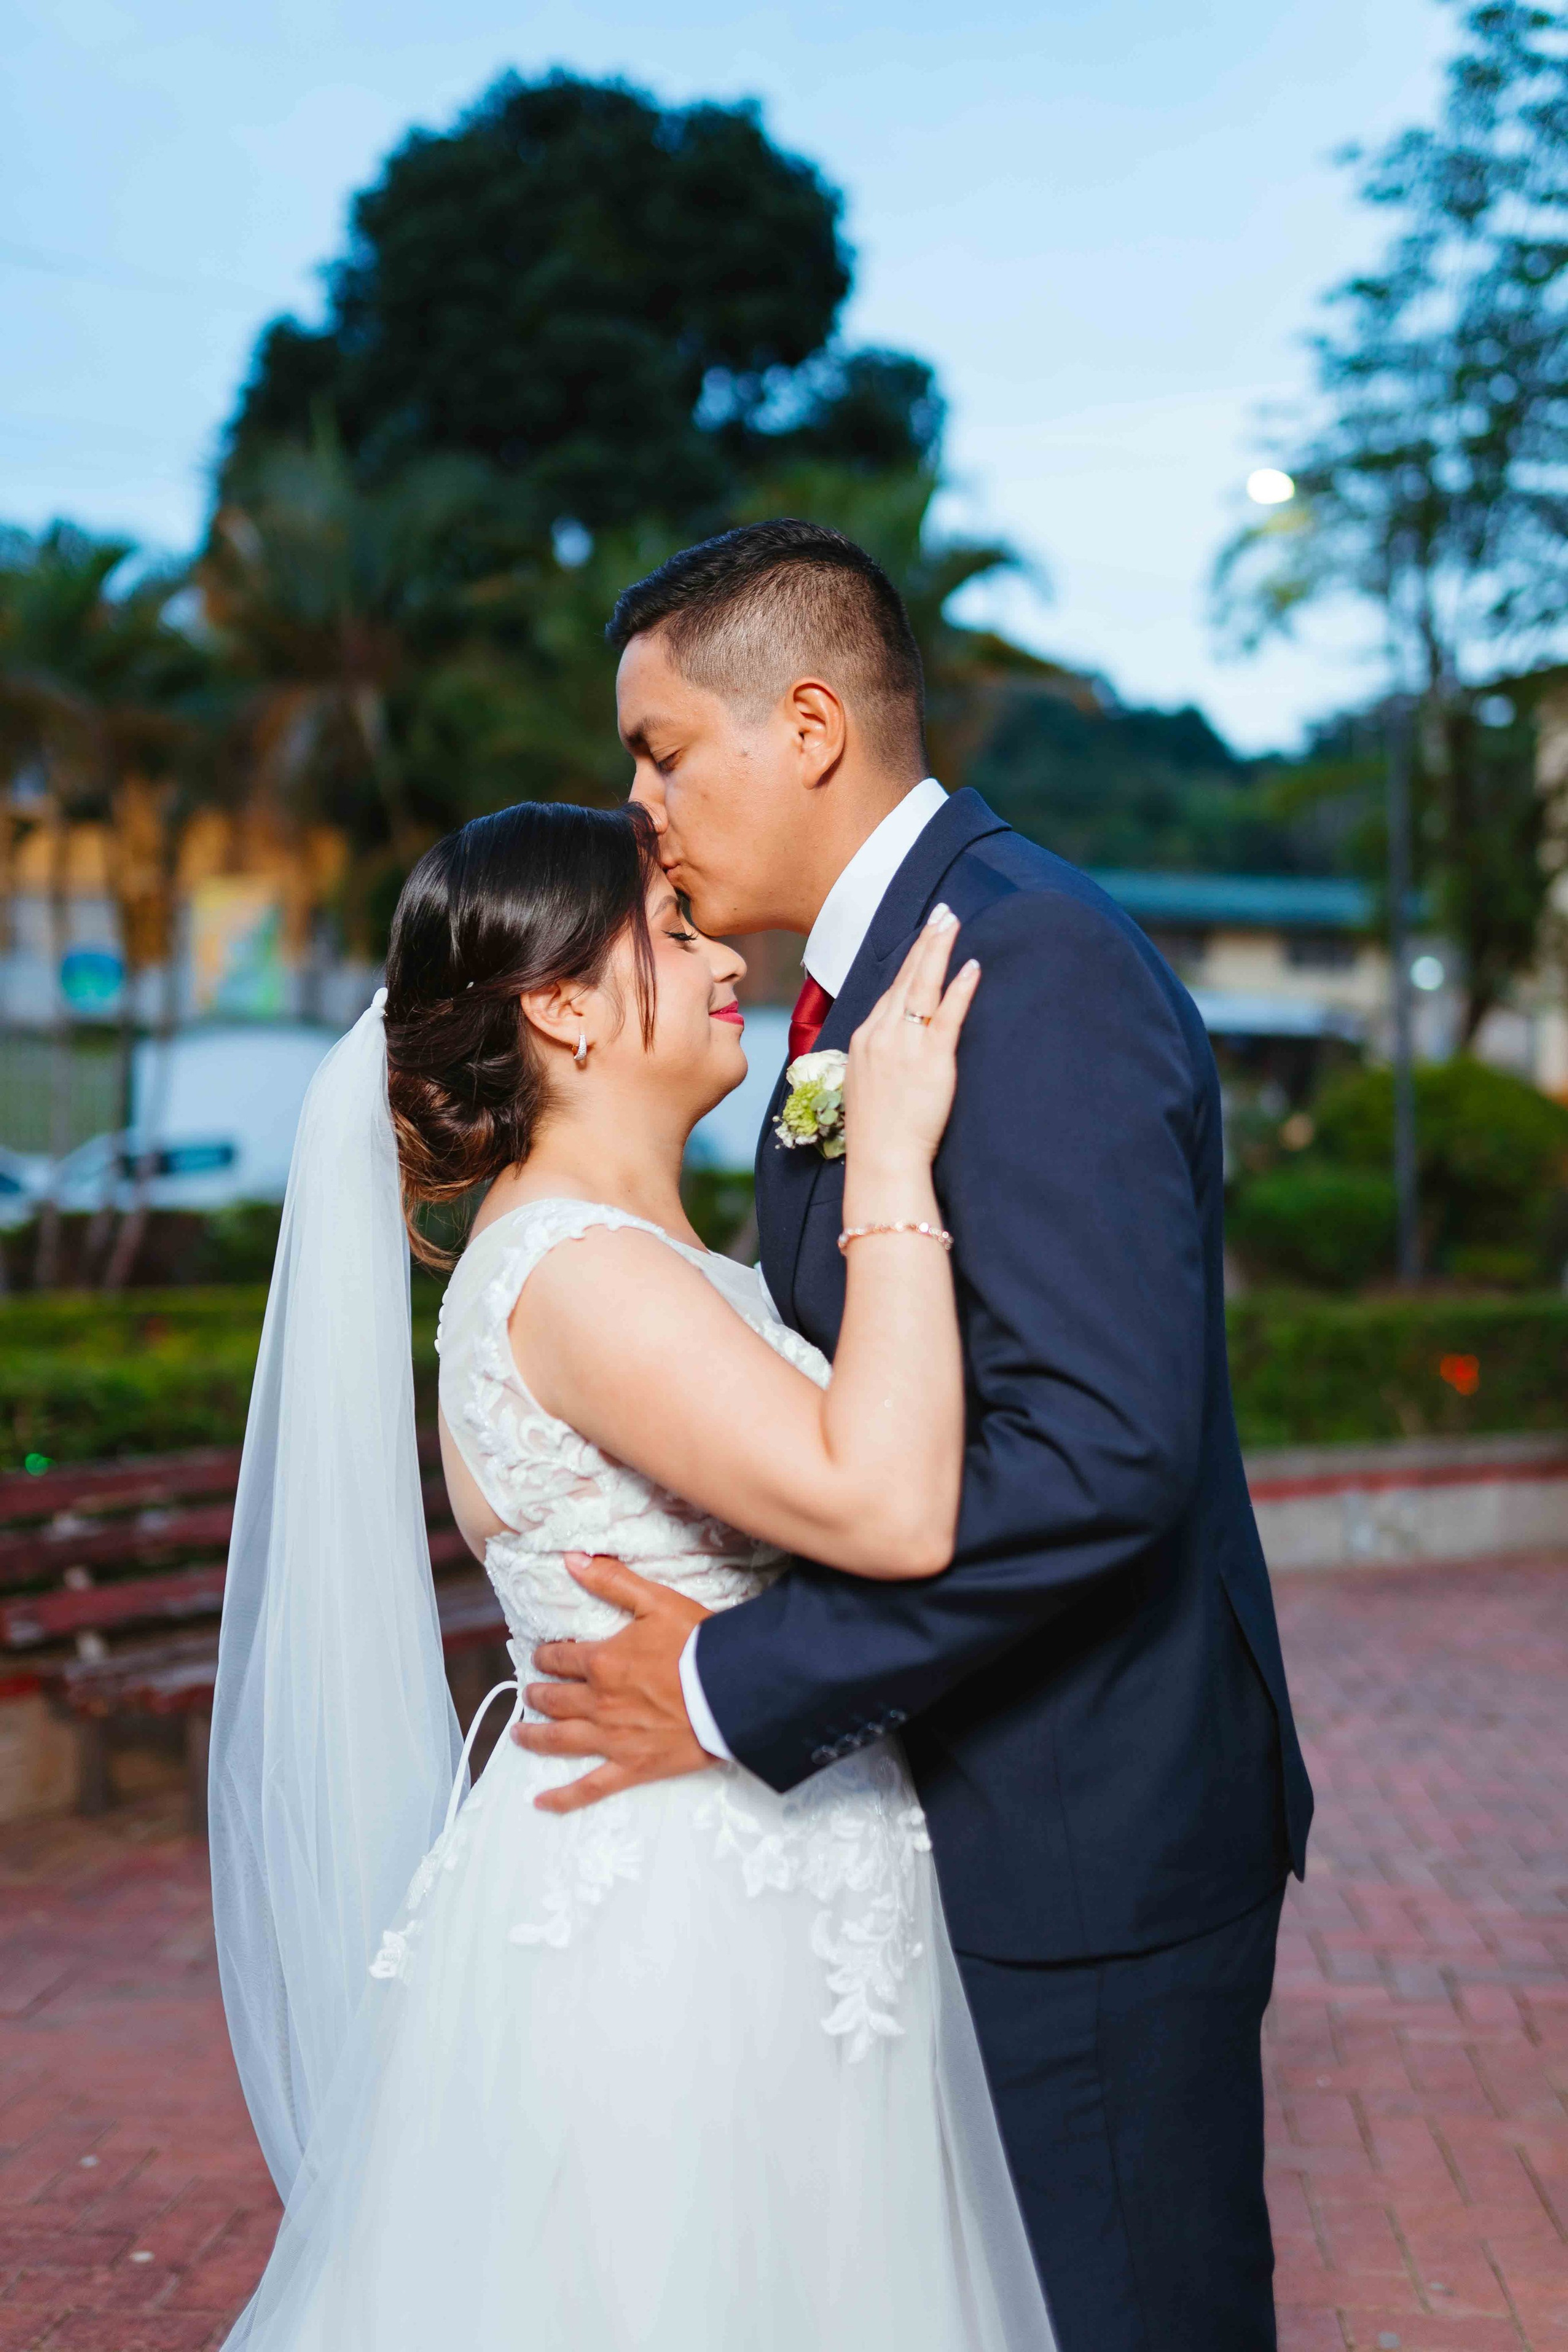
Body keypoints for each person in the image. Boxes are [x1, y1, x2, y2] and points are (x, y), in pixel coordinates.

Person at [508, 519, 1316, 2352]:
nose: (640, 808)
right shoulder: (865, 988)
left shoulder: (1025, 964)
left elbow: (1099, 1450)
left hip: (1082, 1823)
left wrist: (733, 1679)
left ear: (806, 726)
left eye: (660, 753)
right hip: (949, 1810)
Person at [208, 794, 1056, 2349]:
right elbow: (879, 1505)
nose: (725, 957)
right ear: (562, 1008)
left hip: (761, 1863)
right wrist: (890, 1160)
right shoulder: (576, 1273)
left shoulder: (643, 1261)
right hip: (673, 1910)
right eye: (671, 934)